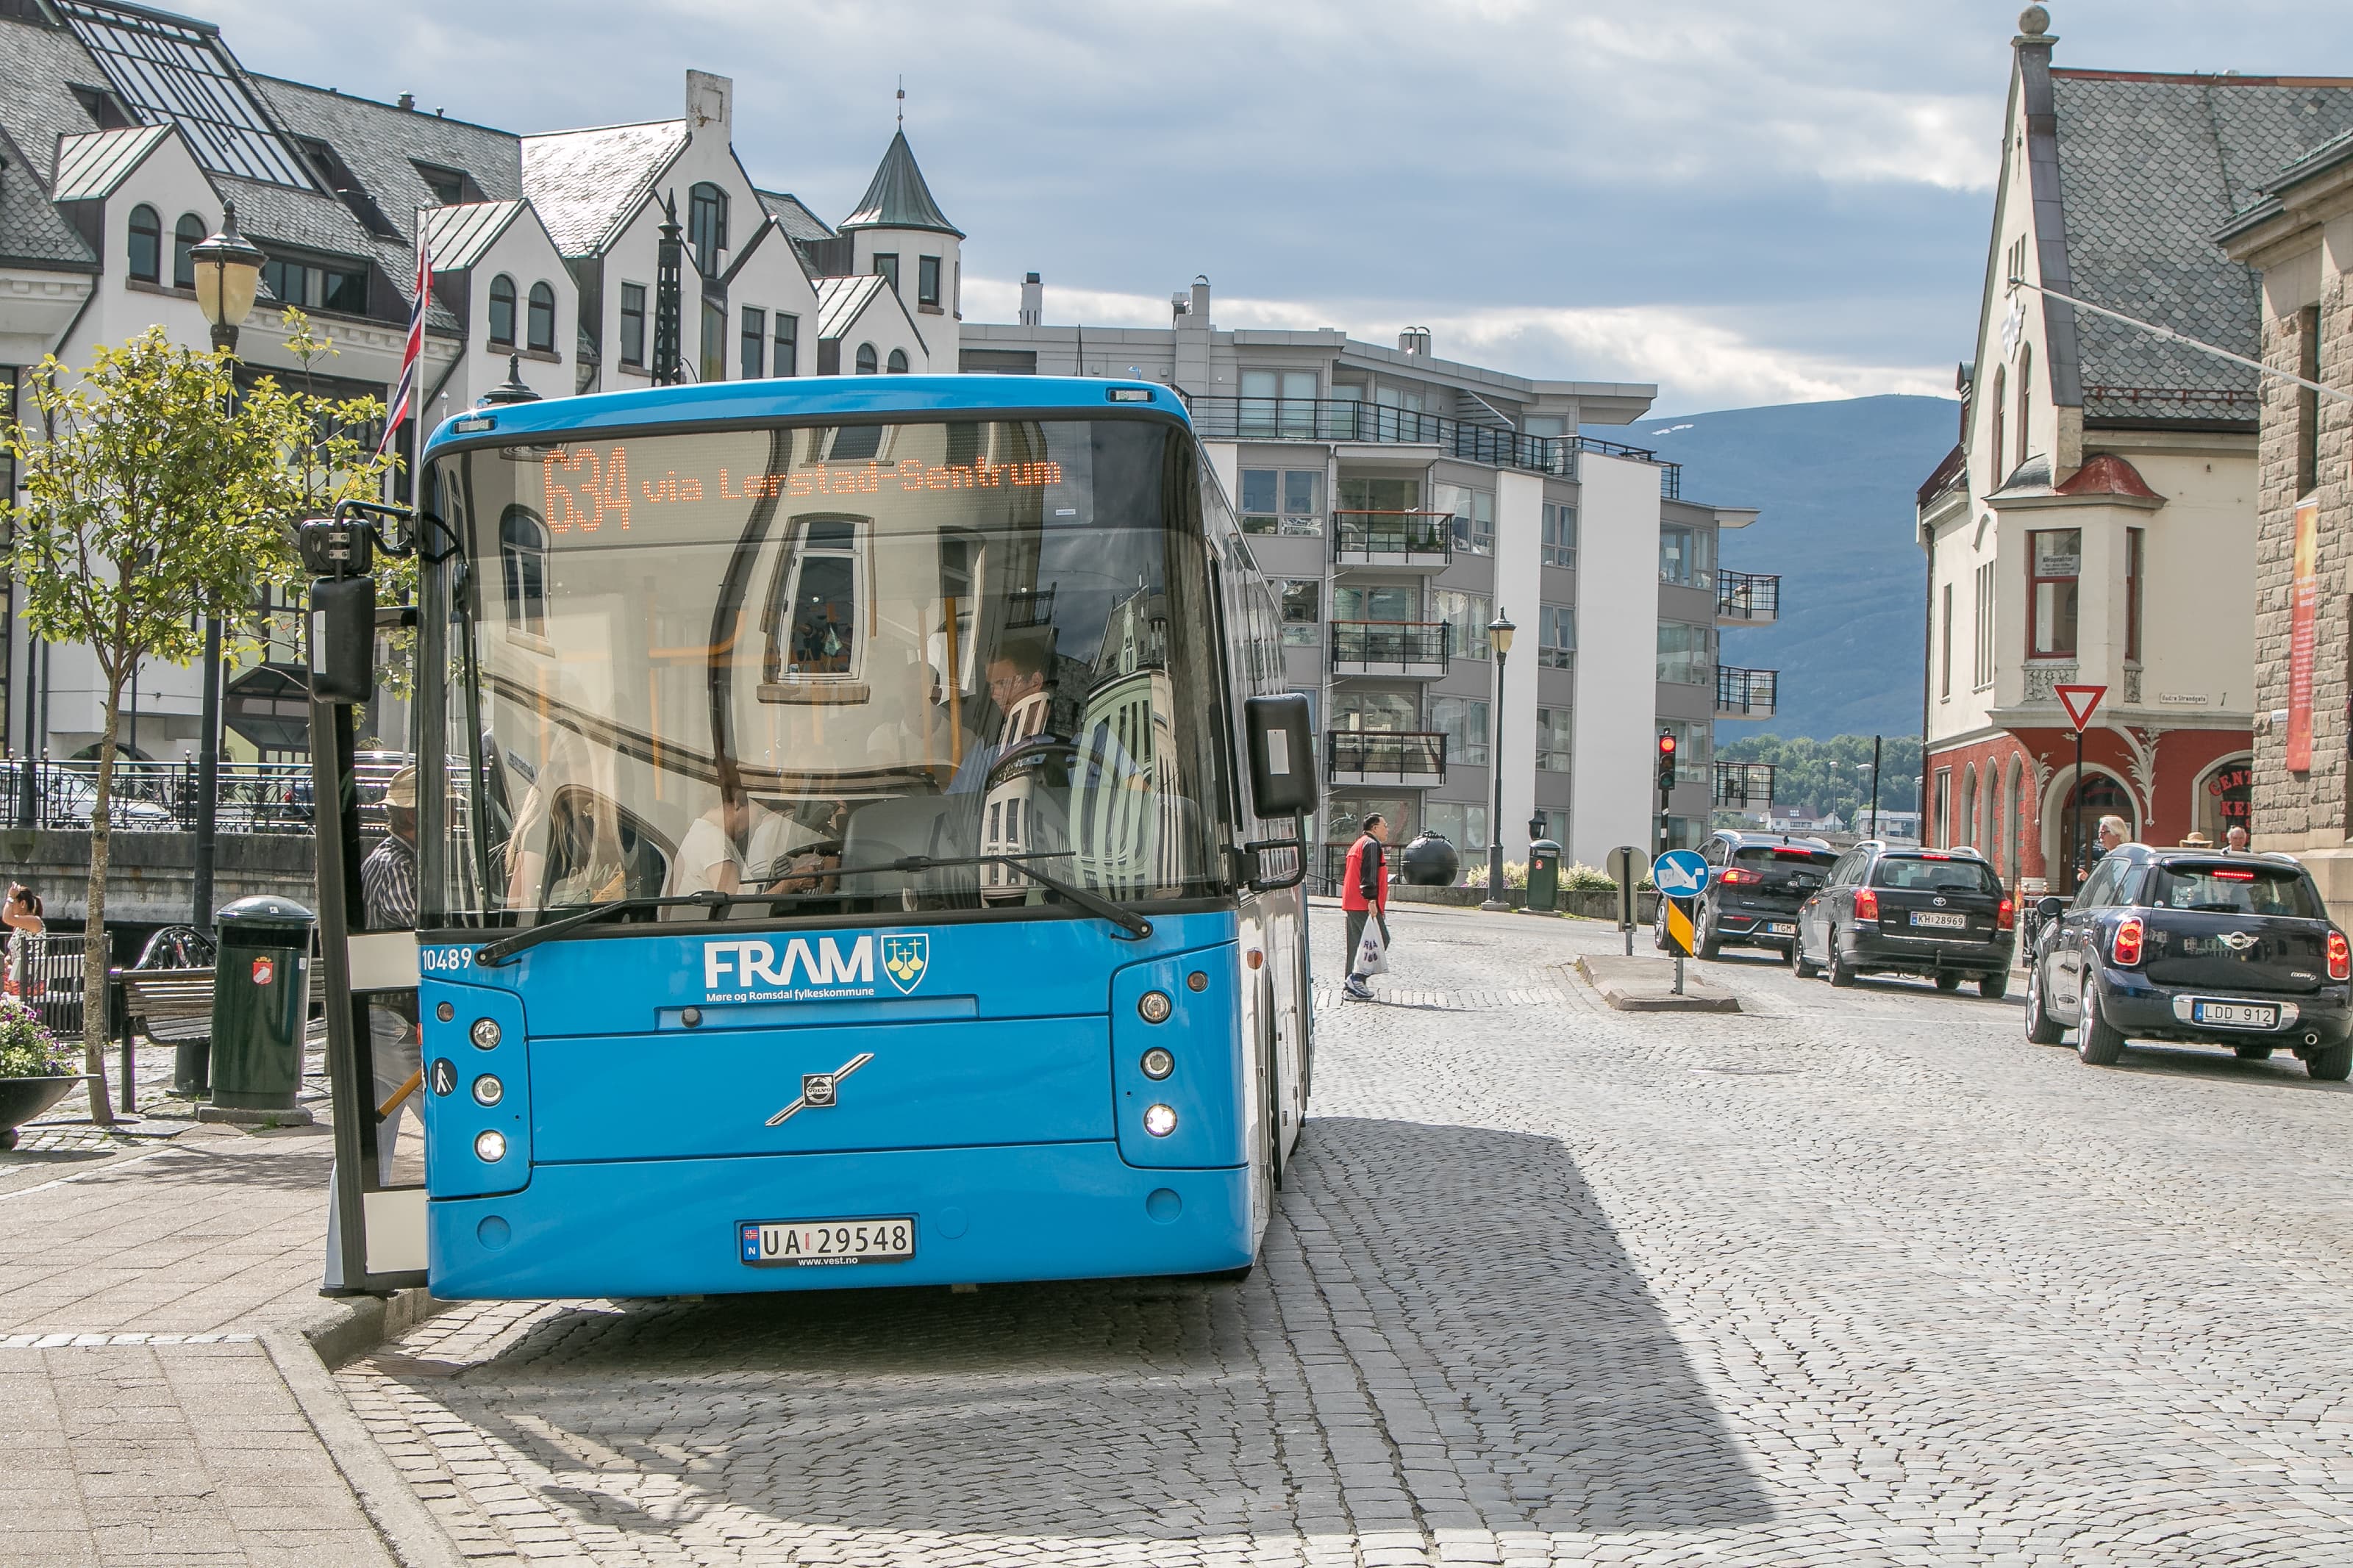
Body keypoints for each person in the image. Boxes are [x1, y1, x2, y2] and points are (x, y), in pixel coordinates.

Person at [360, 768, 424, 1170]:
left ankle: (349, 1233)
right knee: (446, 1112)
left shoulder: (391, 858)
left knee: (372, 1143)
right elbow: (420, 932)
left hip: (380, 1013)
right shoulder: (396, 864)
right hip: (390, 1016)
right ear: (415, 817)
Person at [1341, 814, 1391, 1002]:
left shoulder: (1360, 843)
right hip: (1363, 903)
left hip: (1354, 902)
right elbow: (1368, 873)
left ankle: (1351, 985)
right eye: (1385, 825)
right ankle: (1357, 979)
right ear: (1374, 828)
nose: (1387, 829)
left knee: (1356, 945)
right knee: (1380, 940)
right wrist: (1371, 900)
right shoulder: (1371, 845)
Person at [2, 884, 44, 998]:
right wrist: (7, 960)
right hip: (17, 976)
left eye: (13, 903)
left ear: (23, 904)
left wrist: (10, 897)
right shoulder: (19, 926)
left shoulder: (34, 921)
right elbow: (13, 955)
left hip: (28, 982)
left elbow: (7, 918)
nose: (11, 907)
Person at [2077, 813, 2129, 883]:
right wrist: (2087, 879)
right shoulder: (2109, 856)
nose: (2100, 837)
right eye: (2099, 833)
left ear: (2117, 834)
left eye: (2103, 833)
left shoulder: (2126, 858)